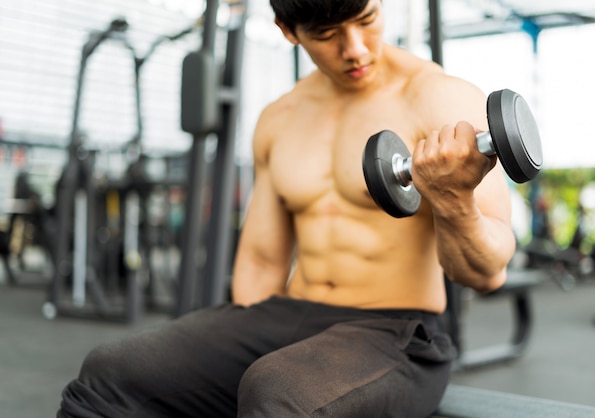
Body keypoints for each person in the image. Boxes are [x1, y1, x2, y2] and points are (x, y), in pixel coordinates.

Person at [57, 0, 516, 416]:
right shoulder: (281, 117)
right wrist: (227, 358)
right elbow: (261, 259)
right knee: (109, 372)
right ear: (287, 30)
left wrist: (453, 199)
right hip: (290, 313)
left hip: (397, 331)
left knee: (277, 391)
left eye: (367, 20)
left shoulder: (441, 98)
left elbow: (486, 273)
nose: (354, 49)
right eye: (328, 34)